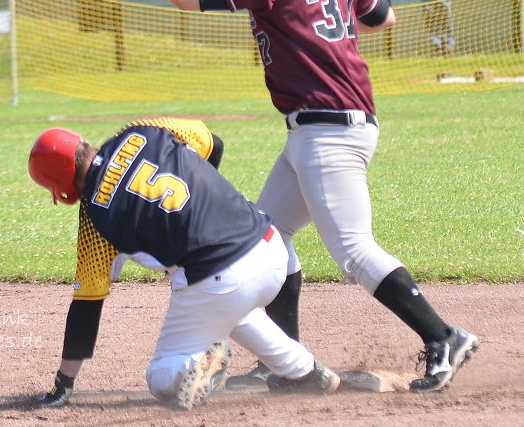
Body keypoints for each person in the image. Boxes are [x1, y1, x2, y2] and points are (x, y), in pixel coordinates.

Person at [105, 0, 479, 393]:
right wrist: (327, 41)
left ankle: (444, 337)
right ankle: (283, 365)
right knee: (268, 234)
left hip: (327, 130)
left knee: (353, 249)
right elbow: (382, 16)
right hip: (328, 126)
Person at [27, 117, 340, 411]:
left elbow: (87, 304)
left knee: (162, 380)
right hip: (269, 246)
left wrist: (64, 383)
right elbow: (212, 142)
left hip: (220, 279)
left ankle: (199, 362)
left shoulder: (93, 215)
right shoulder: (141, 130)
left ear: (61, 185)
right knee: (229, 310)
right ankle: (303, 371)